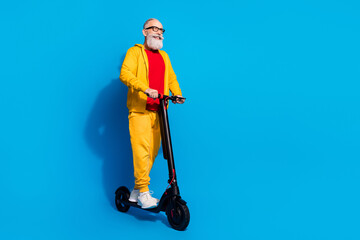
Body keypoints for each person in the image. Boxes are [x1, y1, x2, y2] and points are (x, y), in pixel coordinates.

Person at [119, 18, 185, 209]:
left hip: (159, 112)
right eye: (153, 28)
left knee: (152, 154)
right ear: (144, 32)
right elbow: (125, 73)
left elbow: (171, 77)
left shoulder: (164, 56)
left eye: (161, 30)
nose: (158, 32)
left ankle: (136, 191)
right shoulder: (135, 52)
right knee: (141, 152)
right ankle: (144, 192)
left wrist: (177, 93)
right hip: (140, 111)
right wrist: (145, 88)